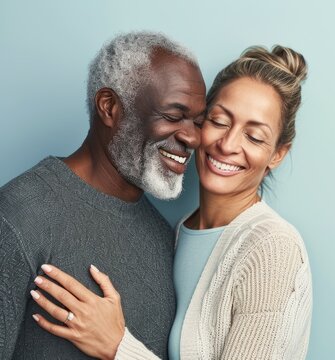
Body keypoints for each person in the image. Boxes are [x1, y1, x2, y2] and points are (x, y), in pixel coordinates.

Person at [31, 45, 312, 359]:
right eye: (219, 121)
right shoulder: (180, 233)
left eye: (255, 137)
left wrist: (118, 347)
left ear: (277, 154)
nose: (228, 144)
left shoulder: (272, 248)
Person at [0, 31, 206, 359]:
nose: (193, 138)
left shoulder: (166, 238)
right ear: (109, 107)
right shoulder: (19, 215)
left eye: (198, 121)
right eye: (172, 116)